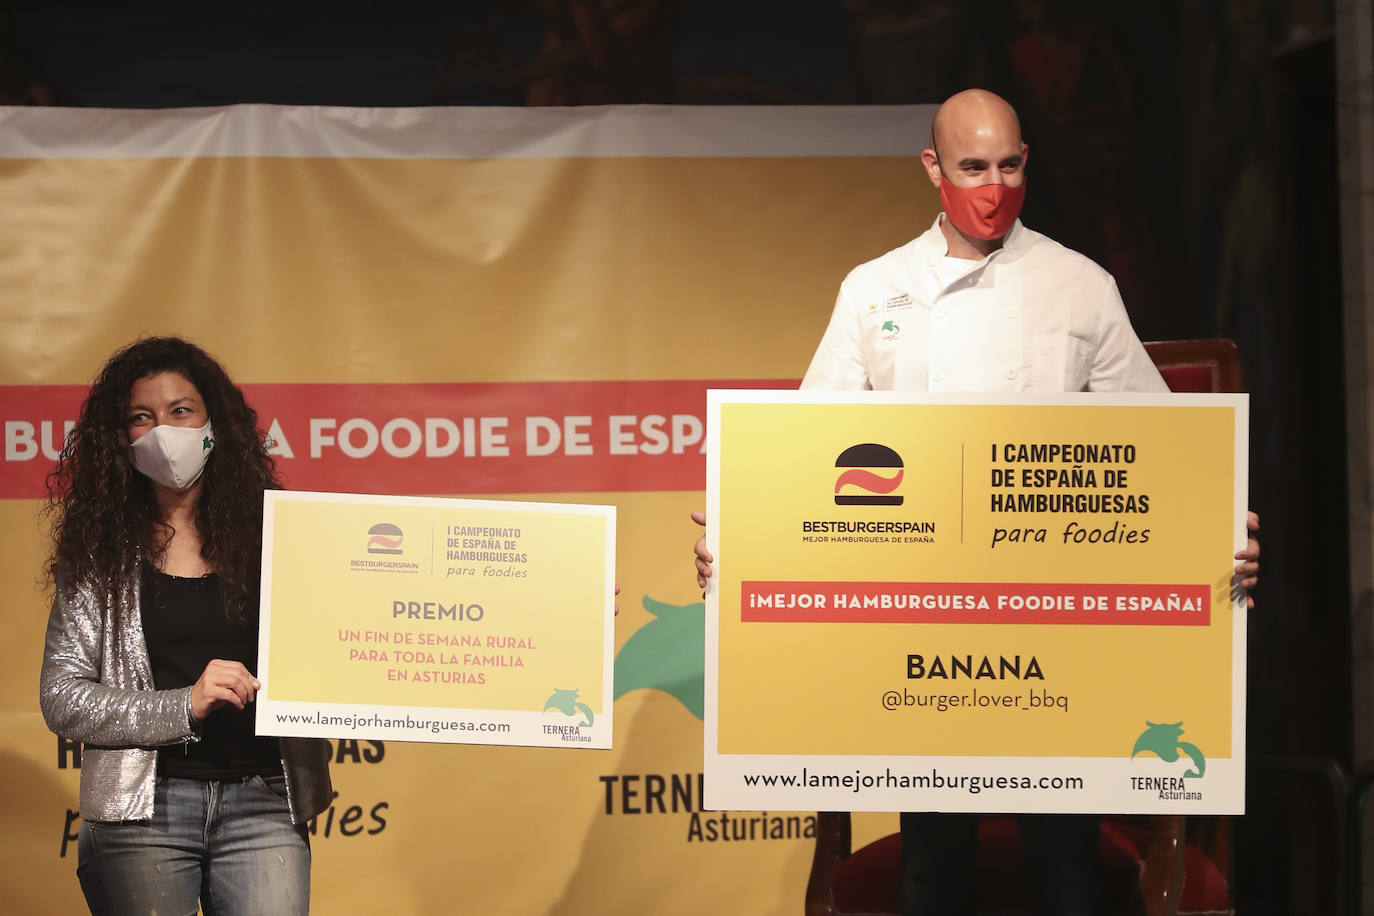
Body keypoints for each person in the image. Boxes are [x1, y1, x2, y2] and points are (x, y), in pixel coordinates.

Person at [693, 88, 1261, 915]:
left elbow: (1163, 452)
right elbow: (807, 449)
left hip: (1053, 627)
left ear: (1026, 163)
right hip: (923, 627)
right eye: (971, 167)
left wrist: (1222, 529)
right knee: (933, 870)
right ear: (934, 169)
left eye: (1008, 165)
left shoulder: (1081, 286)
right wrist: (739, 528)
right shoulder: (873, 289)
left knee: (1066, 870)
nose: (992, 185)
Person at [39, 336, 332, 916]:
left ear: (213, 423)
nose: (164, 431)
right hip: (142, 813)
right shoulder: (99, 554)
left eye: (180, 411)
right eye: (141, 417)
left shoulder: (279, 537)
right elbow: (62, 697)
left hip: (262, 800)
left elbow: (336, 652)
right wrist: (183, 706)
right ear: (120, 438)